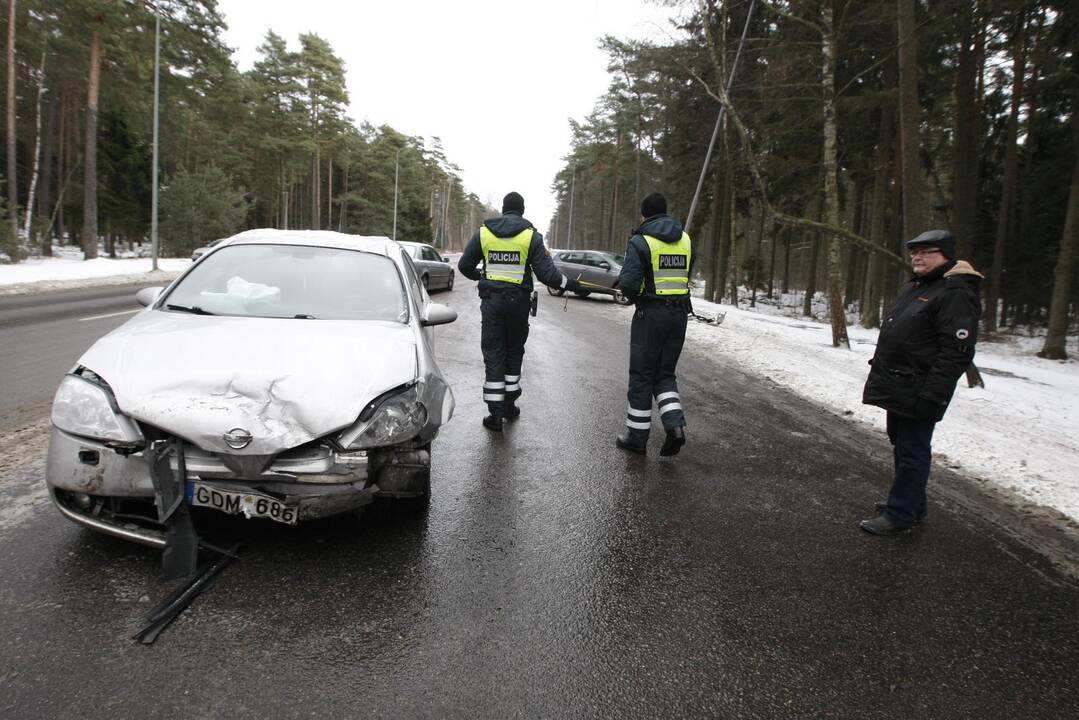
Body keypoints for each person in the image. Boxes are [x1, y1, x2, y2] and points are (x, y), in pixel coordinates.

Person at [860, 229, 983, 536]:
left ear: (945, 256)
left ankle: (900, 515)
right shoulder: (921, 286)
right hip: (899, 383)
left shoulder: (955, 293)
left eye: (926, 252)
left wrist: (933, 394)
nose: (917, 257)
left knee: (913, 450)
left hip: (921, 388)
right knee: (902, 445)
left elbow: (956, 351)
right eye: (914, 252)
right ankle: (911, 503)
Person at [458, 192, 577, 432]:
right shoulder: (531, 236)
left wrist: (481, 276)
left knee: (493, 353)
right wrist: (569, 283)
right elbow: (548, 275)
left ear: (503, 210)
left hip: (491, 303)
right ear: (522, 211)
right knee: (514, 352)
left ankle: (495, 416)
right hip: (518, 304)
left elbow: (464, 266)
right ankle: (510, 406)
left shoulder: (484, 233)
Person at [614, 192, 693, 457]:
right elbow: (684, 274)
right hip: (679, 315)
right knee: (665, 374)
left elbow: (628, 284)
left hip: (651, 316)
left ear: (644, 214)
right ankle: (675, 428)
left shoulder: (640, 241)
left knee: (642, 376)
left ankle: (636, 439)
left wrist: (636, 297)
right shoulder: (686, 239)